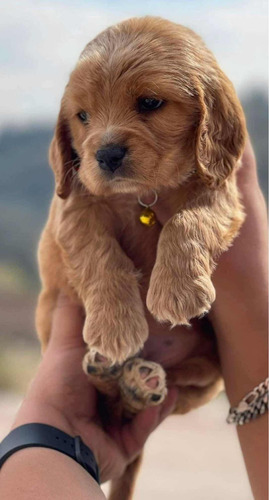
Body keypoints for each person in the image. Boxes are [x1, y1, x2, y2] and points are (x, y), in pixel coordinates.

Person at [0, 140, 267, 499]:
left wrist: (50, 422)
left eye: (150, 105)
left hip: (179, 366)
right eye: (84, 116)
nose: (109, 138)